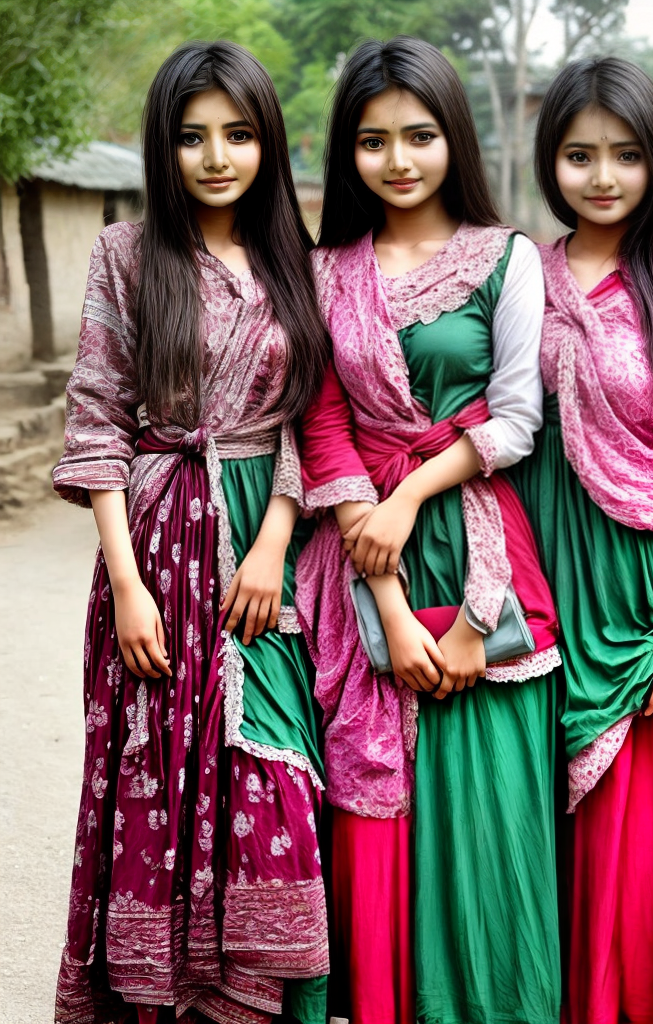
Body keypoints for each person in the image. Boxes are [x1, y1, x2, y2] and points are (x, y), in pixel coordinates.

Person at [52, 41, 332, 1024]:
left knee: (276, 773)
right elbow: (97, 420)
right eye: (192, 136)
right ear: (162, 148)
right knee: (154, 773)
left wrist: (273, 540)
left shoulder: (300, 262)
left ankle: (249, 996)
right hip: (156, 542)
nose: (216, 156)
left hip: (269, 544)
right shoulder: (127, 255)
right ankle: (159, 997)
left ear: (268, 141)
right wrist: (127, 585)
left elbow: (311, 419)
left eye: (238, 134)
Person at [294, 36, 562, 1024]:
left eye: (419, 135)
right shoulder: (324, 272)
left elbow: (518, 418)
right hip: (363, 558)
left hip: (477, 542)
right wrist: (391, 606)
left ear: (455, 138)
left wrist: (410, 497)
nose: (398, 159)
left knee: (491, 813)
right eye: (373, 141)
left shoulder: (506, 257)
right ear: (347, 152)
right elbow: (321, 423)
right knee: (378, 821)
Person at [510, 56, 653, 1024]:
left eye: (626, 155)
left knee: (647, 859)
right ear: (549, 161)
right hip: (541, 581)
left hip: (647, 596)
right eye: (579, 155)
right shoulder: (519, 274)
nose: (602, 177)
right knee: (544, 839)